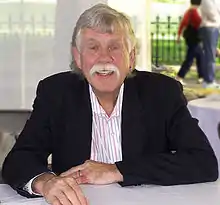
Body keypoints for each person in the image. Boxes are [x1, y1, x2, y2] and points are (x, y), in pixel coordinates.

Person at [2, 3, 218, 205]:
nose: (104, 59)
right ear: (78, 57)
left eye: (115, 47)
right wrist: (45, 182)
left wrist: (116, 170)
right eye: (93, 47)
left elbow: (203, 161)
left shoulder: (161, 93)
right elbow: (19, 159)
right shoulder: (56, 93)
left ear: (131, 57)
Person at [176, 0, 204, 85]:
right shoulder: (194, 12)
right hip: (194, 39)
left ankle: (201, 77)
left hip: (190, 39)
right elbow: (200, 24)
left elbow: (182, 24)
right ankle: (179, 77)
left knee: (200, 57)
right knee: (189, 59)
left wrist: (179, 35)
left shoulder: (188, 12)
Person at [200, 0, 220, 88]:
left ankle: (209, 80)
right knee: (210, 55)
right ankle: (208, 81)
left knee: (211, 54)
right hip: (209, 27)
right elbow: (212, 13)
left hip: (214, 27)